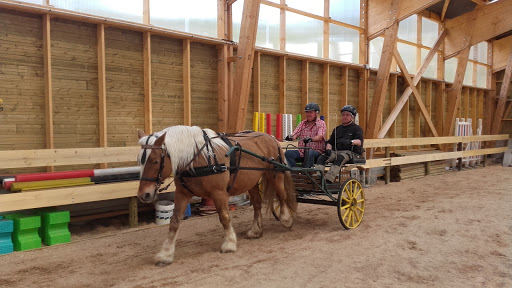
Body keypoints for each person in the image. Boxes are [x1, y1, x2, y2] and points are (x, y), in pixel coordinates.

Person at [315, 105, 364, 183]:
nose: (344, 116)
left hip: (349, 152)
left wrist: (350, 142)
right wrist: (328, 149)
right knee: (322, 157)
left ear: (352, 117)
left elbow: (359, 142)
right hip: (335, 151)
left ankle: (328, 180)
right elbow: (330, 142)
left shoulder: (357, 128)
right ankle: (318, 178)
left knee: (340, 158)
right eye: (343, 114)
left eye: (347, 115)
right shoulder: (337, 129)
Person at [284, 103, 326, 168]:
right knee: (288, 153)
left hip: (316, 151)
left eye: (310, 112)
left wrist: (311, 139)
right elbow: (295, 134)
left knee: (310, 153)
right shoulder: (302, 123)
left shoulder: (321, 123)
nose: (308, 114)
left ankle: (306, 174)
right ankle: (294, 173)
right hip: (302, 151)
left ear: (316, 113)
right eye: (307, 112)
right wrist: (290, 137)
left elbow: (320, 137)